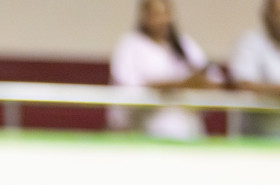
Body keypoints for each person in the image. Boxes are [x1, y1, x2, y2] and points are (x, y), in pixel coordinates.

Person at [109, 0, 222, 140]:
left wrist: (195, 83)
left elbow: (213, 80)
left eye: (165, 14)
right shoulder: (130, 45)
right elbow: (133, 89)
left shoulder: (184, 44)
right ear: (143, 16)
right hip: (146, 133)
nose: (161, 20)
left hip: (188, 133)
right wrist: (184, 84)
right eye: (155, 14)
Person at [230, 0, 280, 135]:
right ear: (266, 15)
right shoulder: (250, 42)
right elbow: (241, 84)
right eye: (277, 13)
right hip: (257, 133)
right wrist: (275, 90)